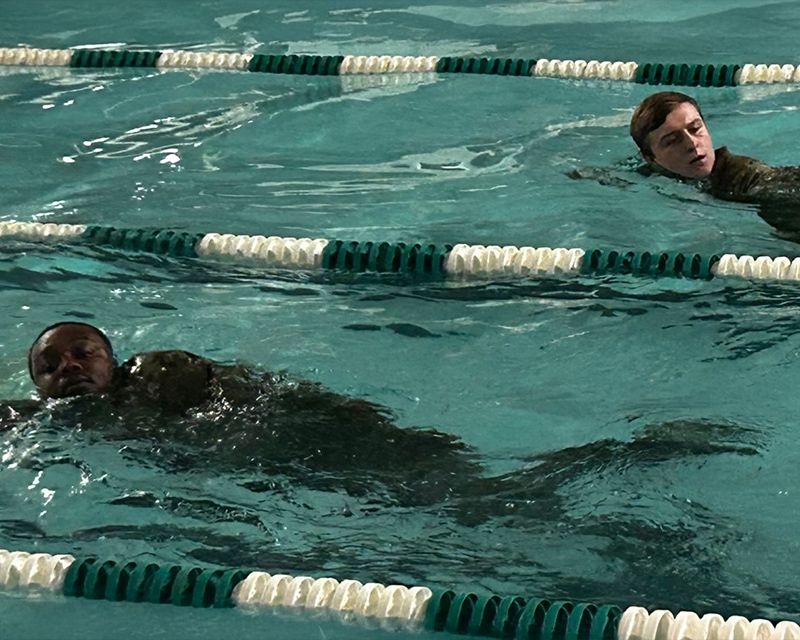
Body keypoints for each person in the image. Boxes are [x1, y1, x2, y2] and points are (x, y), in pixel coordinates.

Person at [571, 91, 800, 235]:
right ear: (650, 157)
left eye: (695, 129)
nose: (692, 144)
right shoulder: (652, 169)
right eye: (672, 141)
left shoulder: (747, 176)